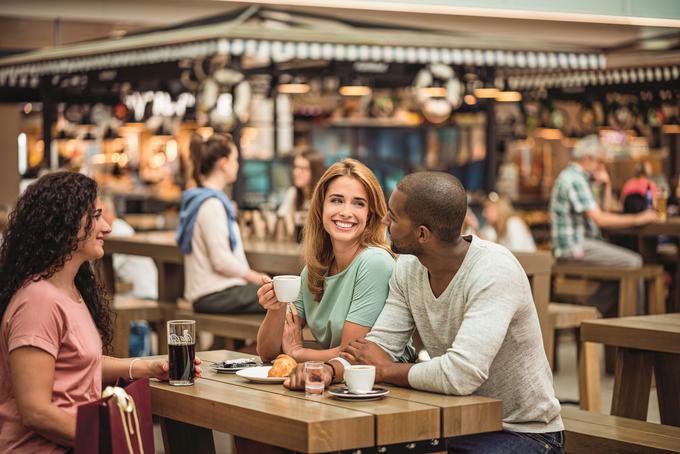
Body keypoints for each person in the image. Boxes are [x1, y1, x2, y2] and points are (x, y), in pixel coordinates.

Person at [284, 171, 565, 453]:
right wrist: (329, 370)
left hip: (524, 432)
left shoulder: (493, 272)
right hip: (455, 420)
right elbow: (379, 347)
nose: (384, 221)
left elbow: (461, 374)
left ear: (422, 234)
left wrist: (386, 371)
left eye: (393, 217)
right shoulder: (408, 267)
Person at [0, 172, 202, 453]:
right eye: (96, 216)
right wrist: (108, 440)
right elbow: (35, 411)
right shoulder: (37, 303)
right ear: (65, 222)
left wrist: (145, 366)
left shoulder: (69, 292)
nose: (107, 227)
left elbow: (76, 363)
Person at [256, 158, 398, 363]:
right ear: (320, 206)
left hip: (385, 388)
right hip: (335, 384)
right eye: (337, 200)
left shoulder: (375, 262)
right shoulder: (315, 269)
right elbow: (268, 352)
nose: (346, 212)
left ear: (370, 214)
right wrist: (275, 308)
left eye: (359, 203)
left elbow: (351, 357)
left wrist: (297, 353)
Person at [549, 134, 657, 317]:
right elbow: (601, 220)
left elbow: (604, 212)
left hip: (581, 245)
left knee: (623, 268)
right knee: (634, 262)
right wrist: (638, 219)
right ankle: (634, 322)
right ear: (587, 158)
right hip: (574, 247)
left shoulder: (580, 179)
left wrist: (606, 186)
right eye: (601, 161)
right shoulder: (574, 179)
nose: (602, 166)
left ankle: (595, 311)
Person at [176, 133, 268, 314]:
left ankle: (254, 344)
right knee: (281, 296)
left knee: (276, 295)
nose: (238, 165)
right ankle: (264, 344)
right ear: (223, 164)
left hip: (212, 292)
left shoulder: (201, 198)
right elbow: (220, 261)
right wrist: (257, 277)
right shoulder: (211, 204)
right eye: (235, 159)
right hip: (214, 293)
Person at [100, 197, 158, 300]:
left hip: (143, 294)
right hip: (131, 292)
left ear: (111, 213)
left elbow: (108, 269)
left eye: (101, 214)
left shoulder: (120, 232)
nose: (99, 219)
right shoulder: (115, 229)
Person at [277, 149, 326, 242]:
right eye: (295, 167)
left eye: (303, 168)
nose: (296, 172)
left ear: (315, 171)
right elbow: (289, 232)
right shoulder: (293, 193)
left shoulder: (323, 197)